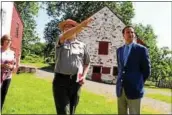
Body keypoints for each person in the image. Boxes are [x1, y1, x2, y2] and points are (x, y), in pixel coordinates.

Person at [53, 18, 93, 115]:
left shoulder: (82, 45)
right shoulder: (61, 40)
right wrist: (81, 25)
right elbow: (65, 35)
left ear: (76, 30)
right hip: (61, 81)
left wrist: (83, 76)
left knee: (72, 111)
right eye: (65, 27)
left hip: (76, 81)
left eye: (70, 26)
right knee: (63, 112)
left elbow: (87, 62)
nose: (67, 28)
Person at [116, 26, 151, 114]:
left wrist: (138, 82)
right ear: (123, 35)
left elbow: (147, 70)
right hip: (121, 88)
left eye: (132, 32)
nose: (130, 34)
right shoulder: (119, 50)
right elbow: (120, 68)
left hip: (134, 89)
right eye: (128, 32)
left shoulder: (141, 50)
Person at [1, 34, 16, 110]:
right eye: (6, 40)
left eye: (9, 40)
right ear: (3, 41)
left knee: (3, 93)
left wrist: (12, 67)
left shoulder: (12, 53)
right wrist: (2, 65)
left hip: (8, 76)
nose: (8, 41)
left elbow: (15, 65)